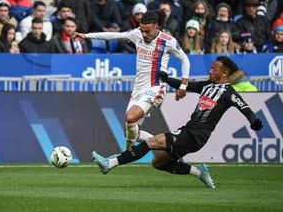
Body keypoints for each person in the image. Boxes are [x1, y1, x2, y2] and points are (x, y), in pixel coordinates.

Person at [91, 56, 263, 188]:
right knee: (158, 163)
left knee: (152, 142)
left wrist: (253, 122)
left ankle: (109, 164)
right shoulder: (206, 86)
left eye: (214, 69)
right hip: (189, 132)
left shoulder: (229, 93)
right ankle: (198, 172)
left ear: (224, 73)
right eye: (211, 68)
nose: (210, 71)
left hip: (195, 135)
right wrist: (166, 78)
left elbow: (245, 108)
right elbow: (183, 85)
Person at [75, 10, 190, 149]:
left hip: (155, 88)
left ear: (156, 28)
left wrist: (183, 86)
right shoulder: (137, 34)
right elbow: (114, 36)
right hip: (138, 89)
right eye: (142, 30)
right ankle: (166, 146)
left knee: (130, 118)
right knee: (130, 132)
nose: (144, 35)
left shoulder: (168, 41)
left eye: (147, 31)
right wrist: (87, 35)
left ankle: (127, 154)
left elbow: (185, 60)